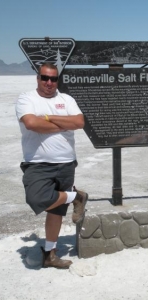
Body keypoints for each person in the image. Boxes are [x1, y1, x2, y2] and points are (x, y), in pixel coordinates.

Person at [15, 62, 88, 269]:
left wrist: (47, 118)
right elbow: (31, 124)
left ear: (57, 80)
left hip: (66, 163)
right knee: (37, 198)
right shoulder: (27, 98)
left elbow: (79, 123)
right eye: (45, 78)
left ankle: (50, 254)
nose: (49, 82)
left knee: (56, 211)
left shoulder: (66, 99)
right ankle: (78, 197)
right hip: (38, 164)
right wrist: (64, 123)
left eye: (53, 79)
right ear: (37, 78)